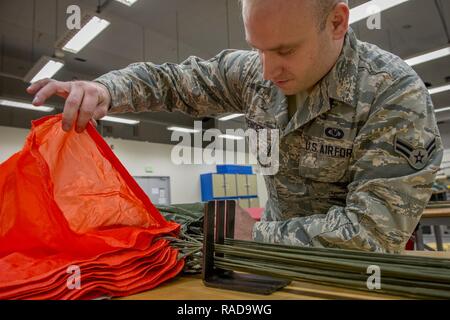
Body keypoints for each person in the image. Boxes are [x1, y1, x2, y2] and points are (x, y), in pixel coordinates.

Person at [27, 0, 443, 253]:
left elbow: (373, 232)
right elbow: (173, 81)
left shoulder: (393, 94)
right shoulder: (255, 74)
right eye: (256, 48)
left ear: (336, 22)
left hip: (352, 278)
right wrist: (107, 89)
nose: (267, 69)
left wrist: (255, 235)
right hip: (268, 266)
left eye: (284, 50)